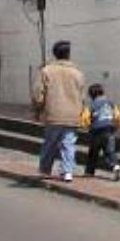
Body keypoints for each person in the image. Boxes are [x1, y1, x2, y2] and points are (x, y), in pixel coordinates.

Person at [32, 40, 86, 182]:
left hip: (53, 113)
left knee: (50, 143)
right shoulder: (78, 73)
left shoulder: (46, 70)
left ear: (55, 54)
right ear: (68, 54)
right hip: (73, 114)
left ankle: (45, 169)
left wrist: (37, 109)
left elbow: (38, 94)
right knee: (69, 144)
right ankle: (67, 172)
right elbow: (82, 96)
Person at [82, 83, 120, 181]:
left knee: (93, 152)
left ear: (91, 95)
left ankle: (89, 172)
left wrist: (87, 127)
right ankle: (115, 166)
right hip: (109, 129)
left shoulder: (92, 105)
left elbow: (85, 118)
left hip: (96, 131)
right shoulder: (111, 103)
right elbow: (117, 115)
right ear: (102, 92)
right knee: (109, 150)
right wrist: (117, 126)